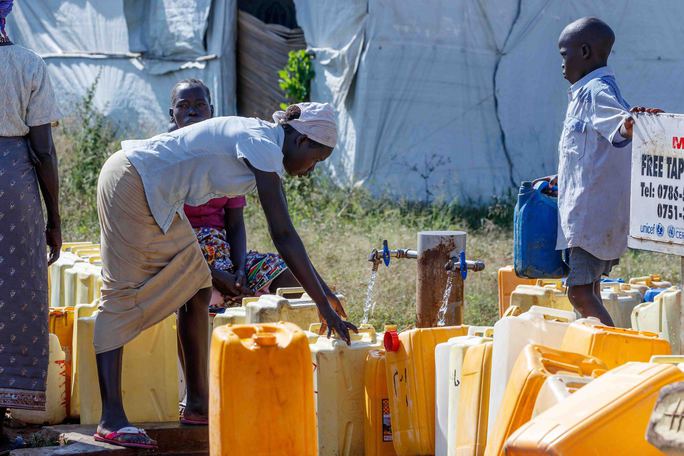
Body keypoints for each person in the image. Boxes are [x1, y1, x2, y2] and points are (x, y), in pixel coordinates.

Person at [94, 101, 355, 449]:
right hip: (132, 181)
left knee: (197, 284)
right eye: (316, 159)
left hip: (155, 193)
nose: (311, 170)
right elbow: (283, 235)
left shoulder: (265, 144)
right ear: (301, 140)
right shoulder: (261, 143)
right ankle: (111, 419)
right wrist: (322, 304)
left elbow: (287, 236)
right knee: (121, 293)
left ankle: (198, 405)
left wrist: (326, 293)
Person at [534, 17, 660, 325]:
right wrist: (561, 177)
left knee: (579, 293)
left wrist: (633, 123)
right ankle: (599, 344)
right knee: (590, 290)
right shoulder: (585, 93)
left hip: (590, 217)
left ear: (585, 52)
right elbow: (591, 151)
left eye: (564, 54)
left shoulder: (596, 91)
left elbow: (621, 127)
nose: (561, 63)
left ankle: (614, 347)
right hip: (593, 215)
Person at [168, 79, 300, 309]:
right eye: (183, 105)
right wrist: (214, 274)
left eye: (200, 104)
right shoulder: (165, 158)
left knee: (285, 274)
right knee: (206, 294)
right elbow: (164, 235)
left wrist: (239, 270)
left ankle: (276, 328)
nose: (192, 111)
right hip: (182, 259)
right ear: (172, 114)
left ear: (211, 110)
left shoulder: (225, 153)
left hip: (224, 254)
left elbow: (235, 223)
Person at [0, 0, 62, 451]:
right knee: (16, 292)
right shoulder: (27, 64)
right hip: (12, 187)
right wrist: (54, 218)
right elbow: (43, 151)